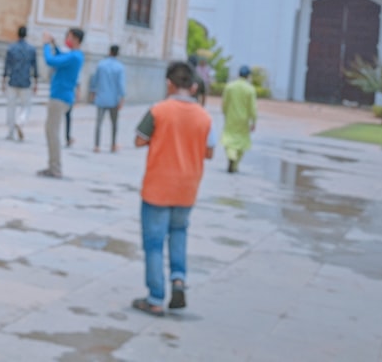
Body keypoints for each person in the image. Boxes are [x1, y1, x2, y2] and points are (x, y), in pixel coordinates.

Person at [132, 61, 215, 317]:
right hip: (187, 187)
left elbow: (139, 139)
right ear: (191, 85)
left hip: (158, 186)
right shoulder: (204, 116)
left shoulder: (159, 110)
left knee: (154, 243)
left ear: (169, 83)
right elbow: (209, 152)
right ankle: (178, 279)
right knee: (179, 234)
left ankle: (156, 297)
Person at [38, 27, 85, 178]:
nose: (67, 39)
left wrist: (45, 44)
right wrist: (54, 45)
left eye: (69, 37)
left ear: (76, 39)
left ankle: (55, 167)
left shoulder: (74, 56)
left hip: (59, 97)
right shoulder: (74, 56)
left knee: (52, 132)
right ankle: (53, 165)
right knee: (51, 131)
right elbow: (59, 57)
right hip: (62, 96)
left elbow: (51, 61)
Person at [2, 25, 38, 141]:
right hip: (25, 81)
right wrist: (36, 83)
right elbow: (35, 68)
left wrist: (3, 81)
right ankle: (21, 121)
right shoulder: (32, 49)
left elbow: (6, 66)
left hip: (13, 80)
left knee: (11, 107)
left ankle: (10, 132)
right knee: (26, 106)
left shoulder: (12, 48)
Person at [89, 44, 126, 153]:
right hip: (113, 99)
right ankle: (113, 144)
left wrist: (92, 91)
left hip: (101, 97)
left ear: (109, 51)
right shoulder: (120, 67)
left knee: (98, 123)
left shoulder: (101, 64)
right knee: (114, 123)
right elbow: (121, 84)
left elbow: (95, 80)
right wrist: (122, 98)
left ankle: (97, 145)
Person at [221, 64, 258, 173]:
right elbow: (253, 107)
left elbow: (224, 102)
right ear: (248, 76)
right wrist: (254, 120)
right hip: (244, 119)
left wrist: (225, 112)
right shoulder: (250, 89)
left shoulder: (230, 87)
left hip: (231, 117)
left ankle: (231, 155)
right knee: (241, 141)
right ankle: (235, 163)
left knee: (229, 138)